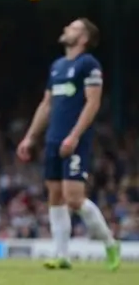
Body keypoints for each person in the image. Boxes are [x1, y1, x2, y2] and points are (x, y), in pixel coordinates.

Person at [16, 18, 120, 271]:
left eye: (73, 28)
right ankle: (62, 255)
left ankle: (109, 242)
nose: (65, 29)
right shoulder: (58, 65)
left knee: (74, 198)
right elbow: (46, 104)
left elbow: (92, 103)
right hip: (53, 138)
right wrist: (30, 136)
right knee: (55, 196)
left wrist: (74, 136)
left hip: (76, 139)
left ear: (84, 38)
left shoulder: (88, 64)